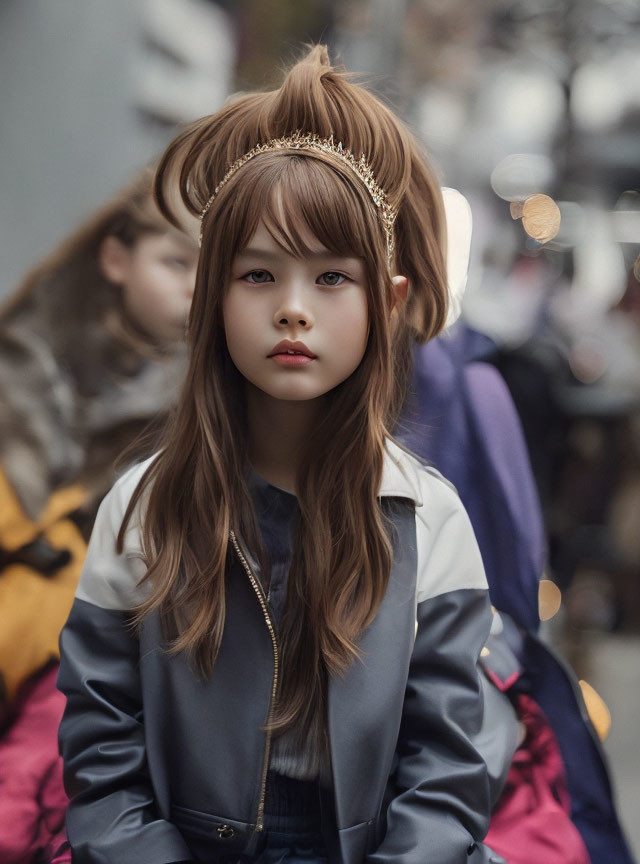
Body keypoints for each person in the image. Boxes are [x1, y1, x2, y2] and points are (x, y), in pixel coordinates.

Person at [57, 46, 503, 864]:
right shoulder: (140, 509)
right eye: (258, 274)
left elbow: (446, 773)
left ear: (389, 301)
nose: (293, 310)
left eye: (332, 278)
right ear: (211, 297)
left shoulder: (428, 518)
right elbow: (102, 763)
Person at [0, 168, 198, 864]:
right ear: (116, 259)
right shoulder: (19, 359)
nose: (195, 287)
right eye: (177, 262)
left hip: (69, 672)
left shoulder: (203, 413)